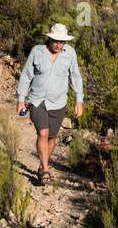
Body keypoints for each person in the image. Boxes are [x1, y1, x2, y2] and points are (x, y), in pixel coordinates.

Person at [15, 23, 84, 185]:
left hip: (58, 102)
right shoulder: (37, 51)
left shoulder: (70, 54)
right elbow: (26, 76)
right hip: (37, 100)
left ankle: (41, 164)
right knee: (43, 133)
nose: (58, 45)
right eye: (55, 41)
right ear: (49, 38)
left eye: (62, 42)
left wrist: (79, 100)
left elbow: (75, 76)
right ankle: (45, 170)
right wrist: (20, 100)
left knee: (52, 137)